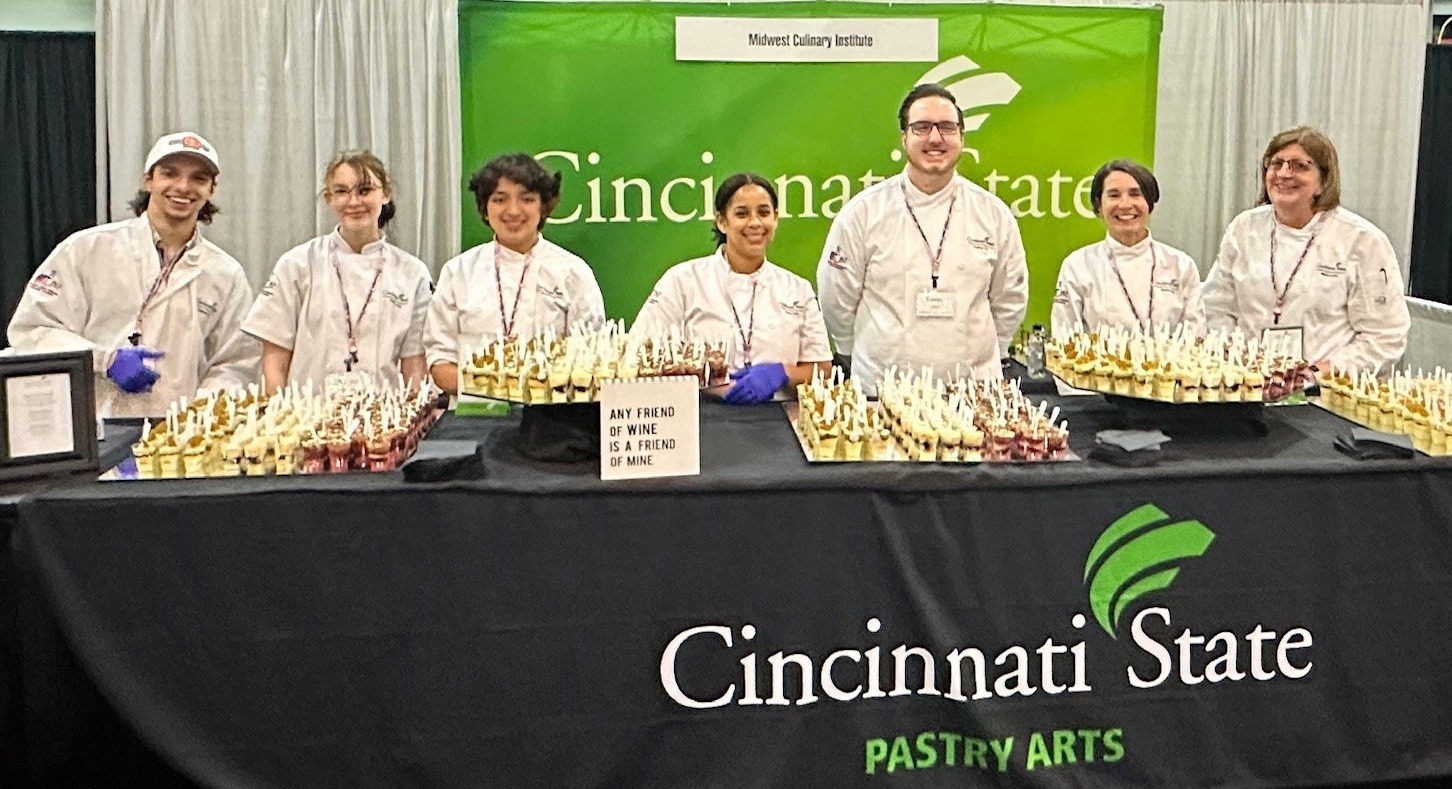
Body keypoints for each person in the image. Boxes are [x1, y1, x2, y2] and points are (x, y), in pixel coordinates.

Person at [7, 131, 258, 417]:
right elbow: (32, 330)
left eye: (199, 178)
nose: (183, 186)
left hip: (178, 439)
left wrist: (199, 414)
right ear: (148, 179)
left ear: (212, 189)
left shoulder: (225, 274)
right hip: (95, 429)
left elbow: (236, 362)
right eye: (170, 173)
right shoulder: (86, 249)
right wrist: (106, 360)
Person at [816, 83, 1028, 395]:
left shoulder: (993, 214)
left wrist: (990, 351)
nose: (935, 138)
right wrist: (853, 348)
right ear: (904, 138)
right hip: (884, 389)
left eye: (946, 127)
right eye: (921, 127)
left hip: (974, 392)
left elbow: (1009, 298)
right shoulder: (863, 213)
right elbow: (836, 297)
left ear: (961, 137)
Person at [1202, 127, 1409, 375]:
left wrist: (1318, 373)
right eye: (1276, 164)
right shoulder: (1244, 228)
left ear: (1324, 181)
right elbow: (1216, 307)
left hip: (1323, 396)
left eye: (1299, 166)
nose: (1284, 174)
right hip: (1247, 385)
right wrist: (1233, 352)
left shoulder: (1362, 240)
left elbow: (1385, 336)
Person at [241, 150, 433, 393]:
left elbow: (414, 363)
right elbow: (275, 356)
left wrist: (413, 423)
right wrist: (277, 414)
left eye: (365, 190)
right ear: (329, 199)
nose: (354, 202)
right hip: (306, 418)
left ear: (385, 194)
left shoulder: (412, 273)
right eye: (342, 191)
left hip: (385, 420)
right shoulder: (298, 264)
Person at [632, 173, 832, 404]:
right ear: (722, 222)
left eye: (764, 213)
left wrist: (781, 373)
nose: (755, 223)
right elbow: (641, 354)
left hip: (779, 419)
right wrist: (704, 383)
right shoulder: (682, 281)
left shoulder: (797, 288)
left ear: (776, 219)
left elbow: (822, 370)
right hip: (700, 415)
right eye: (742, 214)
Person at [424, 153, 605, 395]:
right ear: (485, 209)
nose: (513, 210)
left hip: (554, 417)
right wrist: (495, 388)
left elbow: (590, 357)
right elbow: (440, 362)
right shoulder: (459, 272)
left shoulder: (572, 272)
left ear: (543, 207)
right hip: (476, 416)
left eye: (527, 199)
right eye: (499, 199)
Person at [1051, 159, 1205, 337]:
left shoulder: (1181, 265)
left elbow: (1196, 338)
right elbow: (1064, 338)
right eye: (1114, 195)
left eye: (1135, 194)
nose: (1125, 205)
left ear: (1149, 203)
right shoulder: (1077, 266)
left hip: (1171, 365)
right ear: (1099, 206)